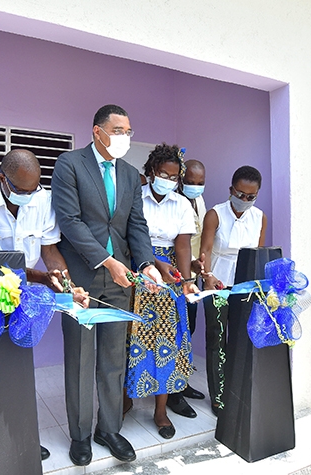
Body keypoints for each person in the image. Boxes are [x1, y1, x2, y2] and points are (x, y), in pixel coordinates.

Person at [0, 148, 88, 461]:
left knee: (15, 367)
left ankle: (18, 435)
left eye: (34, 189)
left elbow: (50, 249)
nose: (30, 196)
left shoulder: (41, 199)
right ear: (3, 179)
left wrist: (65, 284)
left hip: (21, 296)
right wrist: (43, 278)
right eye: (21, 190)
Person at [51, 104, 163, 466]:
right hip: (83, 279)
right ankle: (81, 434)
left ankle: (109, 428)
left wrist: (145, 264)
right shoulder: (70, 165)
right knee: (81, 358)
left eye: (128, 131)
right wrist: (108, 261)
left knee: (114, 358)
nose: (125, 138)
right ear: (97, 131)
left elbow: (136, 226)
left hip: (122, 281)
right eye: (118, 131)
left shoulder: (131, 175)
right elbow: (69, 221)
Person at [123, 144, 199, 439]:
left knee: (166, 343)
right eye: (164, 174)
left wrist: (186, 282)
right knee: (129, 341)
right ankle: (126, 399)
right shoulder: (134, 198)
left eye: (174, 176)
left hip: (169, 277)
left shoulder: (181, 205)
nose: (169, 180)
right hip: (135, 271)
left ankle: (160, 410)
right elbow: (128, 238)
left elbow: (182, 246)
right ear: (152, 171)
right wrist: (152, 263)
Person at [197, 165, 267, 416]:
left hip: (245, 286)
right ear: (231, 190)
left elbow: (257, 255)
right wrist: (207, 276)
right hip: (216, 283)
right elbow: (204, 250)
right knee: (217, 339)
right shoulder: (216, 214)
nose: (245, 200)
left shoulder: (259, 217)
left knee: (241, 339)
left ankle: (238, 389)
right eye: (240, 194)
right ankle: (218, 396)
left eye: (251, 196)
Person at [178, 159, 207, 401]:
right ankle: (174, 390)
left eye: (200, 183)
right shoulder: (175, 202)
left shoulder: (198, 201)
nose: (195, 187)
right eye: (190, 182)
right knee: (175, 332)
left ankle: (182, 383)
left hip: (193, 277)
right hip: (174, 277)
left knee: (189, 330)